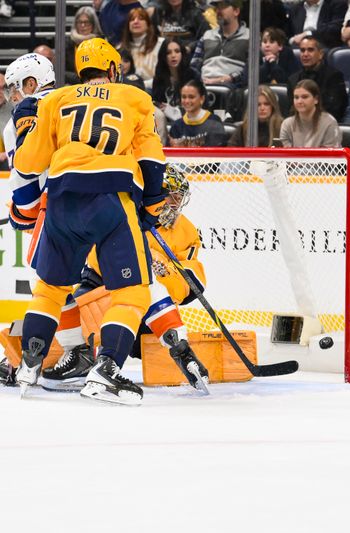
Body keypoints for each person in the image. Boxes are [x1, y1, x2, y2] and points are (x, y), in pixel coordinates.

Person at [9, 37, 206, 404]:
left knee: (50, 288)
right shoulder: (133, 98)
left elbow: (26, 163)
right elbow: (151, 160)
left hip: (62, 199)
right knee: (132, 292)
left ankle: (29, 364)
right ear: (113, 69)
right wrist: (150, 208)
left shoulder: (55, 99)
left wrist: (23, 200)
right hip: (112, 198)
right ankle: (106, 370)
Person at [42, 165, 210, 395]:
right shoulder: (125, 210)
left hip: (147, 309)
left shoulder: (186, 231)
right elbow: (97, 253)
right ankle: (23, 357)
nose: (175, 203)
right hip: (100, 283)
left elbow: (191, 282)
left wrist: (163, 271)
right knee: (68, 314)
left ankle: (180, 351)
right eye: (171, 195)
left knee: (145, 295)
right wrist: (136, 260)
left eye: (179, 197)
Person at [0, 53, 56, 384]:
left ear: (31, 84)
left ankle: (68, 351)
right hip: (110, 201)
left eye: (14, 88)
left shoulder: (22, 114)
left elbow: (26, 176)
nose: (12, 97)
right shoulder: (72, 100)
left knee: (51, 282)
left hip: (58, 206)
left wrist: (22, 211)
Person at [190, 0, 250, 88]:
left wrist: (229, 78)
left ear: (236, 11)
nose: (218, 11)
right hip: (204, 85)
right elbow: (194, 65)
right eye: (216, 7)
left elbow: (251, 70)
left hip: (233, 87)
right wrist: (200, 80)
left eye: (223, 6)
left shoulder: (250, 36)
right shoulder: (207, 35)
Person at [287, 35, 347, 121]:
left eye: (310, 50)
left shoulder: (334, 77)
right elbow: (291, 111)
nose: (305, 54)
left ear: (320, 54)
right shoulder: (292, 80)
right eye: (302, 50)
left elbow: (335, 110)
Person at [279, 79, 341, 148]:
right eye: (296, 97)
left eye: (305, 97)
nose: (299, 101)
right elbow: (286, 156)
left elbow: (332, 156)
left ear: (316, 99)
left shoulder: (329, 123)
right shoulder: (287, 124)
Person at [168, 79, 229, 147]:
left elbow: (217, 152)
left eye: (191, 97)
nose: (187, 101)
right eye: (184, 97)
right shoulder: (176, 126)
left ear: (202, 99)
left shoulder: (214, 122)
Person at [152, 37, 199, 121]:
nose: (173, 56)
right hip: (165, 120)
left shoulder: (193, 75)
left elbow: (198, 105)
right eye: (168, 53)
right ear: (163, 56)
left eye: (177, 51)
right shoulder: (159, 77)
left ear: (182, 53)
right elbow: (156, 102)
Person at [118, 7, 165, 86]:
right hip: (127, 90)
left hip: (153, 89)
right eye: (132, 19)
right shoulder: (120, 48)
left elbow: (163, 77)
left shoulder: (161, 44)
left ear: (148, 24)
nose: (136, 22)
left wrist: (139, 85)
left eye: (141, 19)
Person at [66, 6, 104, 84]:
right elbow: (60, 70)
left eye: (86, 22)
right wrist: (77, 78)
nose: (83, 26)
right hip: (72, 85)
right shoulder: (68, 43)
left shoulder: (101, 44)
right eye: (80, 22)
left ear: (93, 24)